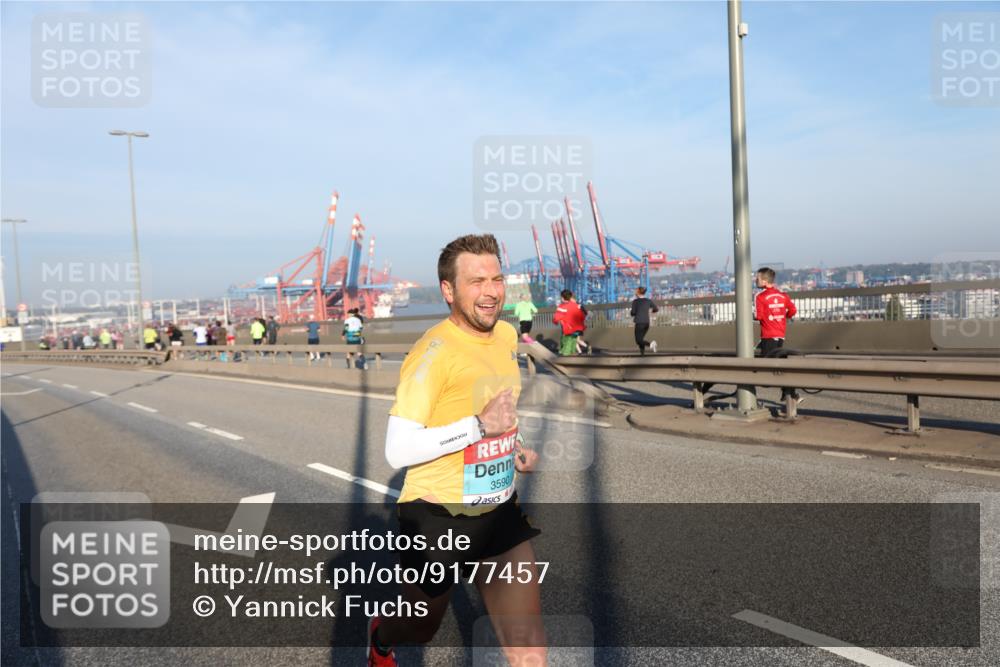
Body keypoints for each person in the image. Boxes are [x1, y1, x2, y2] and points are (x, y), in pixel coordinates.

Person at [370, 234, 543, 667]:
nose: (491, 292)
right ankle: (381, 637)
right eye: (476, 281)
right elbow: (398, 449)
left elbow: (499, 405)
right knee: (420, 626)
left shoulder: (505, 335)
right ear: (449, 290)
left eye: (496, 279)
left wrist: (514, 445)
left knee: (529, 652)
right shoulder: (433, 355)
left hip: (497, 510)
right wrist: (478, 427)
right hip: (437, 514)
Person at [755, 267, 801, 404]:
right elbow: (793, 311)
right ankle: (788, 394)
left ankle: (791, 393)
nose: (755, 280)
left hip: (768, 336)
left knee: (767, 369)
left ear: (764, 281)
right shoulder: (783, 295)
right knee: (779, 364)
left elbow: (759, 316)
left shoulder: (760, 297)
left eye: (757, 278)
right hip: (780, 335)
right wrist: (782, 317)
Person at [552, 289, 587, 356]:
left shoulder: (562, 306)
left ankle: (566, 354)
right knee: (573, 340)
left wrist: (555, 321)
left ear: (562, 298)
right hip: (578, 327)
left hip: (568, 328)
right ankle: (576, 353)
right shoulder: (577, 306)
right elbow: (582, 316)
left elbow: (557, 317)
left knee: (567, 340)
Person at [630, 286, 659, 355]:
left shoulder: (635, 302)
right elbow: (656, 309)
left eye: (636, 291)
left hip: (639, 323)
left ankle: (651, 344)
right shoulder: (648, 301)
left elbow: (633, 312)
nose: (635, 292)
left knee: (638, 340)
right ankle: (642, 353)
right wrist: (652, 311)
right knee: (641, 339)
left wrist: (633, 313)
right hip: (646, 323)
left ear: (638, 292)